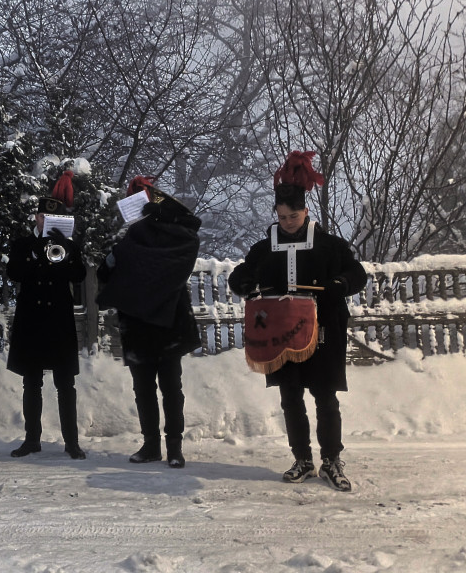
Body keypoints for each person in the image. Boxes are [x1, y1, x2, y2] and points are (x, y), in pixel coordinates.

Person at [228, 151, 368, 492]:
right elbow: (240, 276)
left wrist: (340, 285)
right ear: (276, 214)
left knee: (325, 397)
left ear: (306, 211)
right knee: (290, 397)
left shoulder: (330, 245)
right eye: (283, 217)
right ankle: (302, 459)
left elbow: (356, 274)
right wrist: (243, 284)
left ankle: (331, 461)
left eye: (294, 216)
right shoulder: (264, 249)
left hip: (322, 333)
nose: (288, 222)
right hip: (281, 334)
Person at [96, 176, 202, 468]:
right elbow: (105, 274)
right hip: (138, 323)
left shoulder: (175, 238)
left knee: (171, 388)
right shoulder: (128, 239)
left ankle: (175, 448)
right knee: (143, 388)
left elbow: (187, 233)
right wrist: (115, 254)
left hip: (167, 323)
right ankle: (151, 445)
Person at [6, 170, 88, 460]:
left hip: (59, 321)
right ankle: (32, 439)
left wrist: (66, 250)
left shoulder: (69, 246)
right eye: (42, 216)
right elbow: (14, 272)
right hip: (32, 319)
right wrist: (39, 255)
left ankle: (72, 442)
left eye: (52, 218)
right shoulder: (23, 245)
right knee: (32, 383)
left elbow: (79, 276)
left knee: (66, 384)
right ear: (37, 218)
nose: (45, 221)